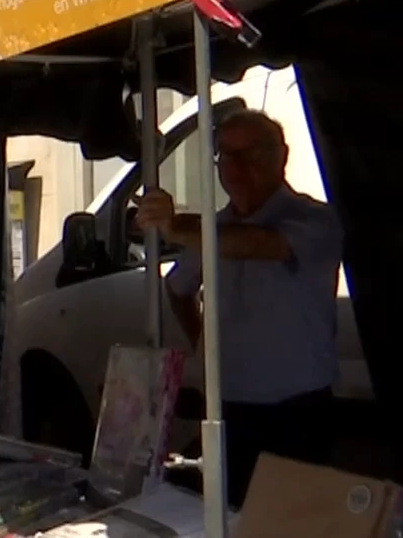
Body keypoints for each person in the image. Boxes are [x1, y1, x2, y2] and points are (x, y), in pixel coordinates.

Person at [135, 109, 344, 508]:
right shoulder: (217, 226)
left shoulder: (314, 220)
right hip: (231, 409)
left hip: (297, 411)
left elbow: (260, 245)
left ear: (281, 155)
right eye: (225, 156)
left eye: (249, 154)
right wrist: (203, 343)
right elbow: (177, 287)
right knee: (229, 524)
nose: (235, 168)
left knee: (295, 526)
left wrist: (176, 227)